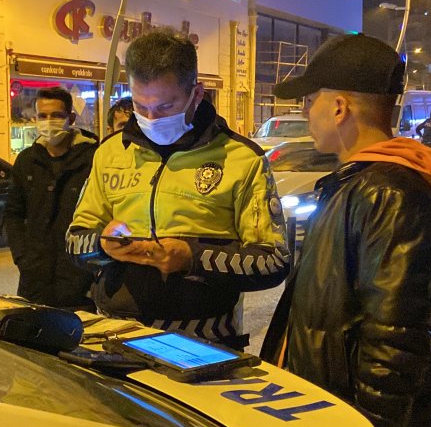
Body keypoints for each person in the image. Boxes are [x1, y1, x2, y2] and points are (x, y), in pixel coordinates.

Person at [260, 34, 431, 427]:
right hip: (323, 420)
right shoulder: (358, 184)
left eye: (309, 100)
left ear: (339, 108)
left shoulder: (389, 195)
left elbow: (395, 344)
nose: (305, 112)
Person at [67, 28, 289, 350]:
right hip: (118, 336)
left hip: (206, 343)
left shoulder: (242, 159)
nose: (151, 119)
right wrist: (102, 245)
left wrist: (191, 257)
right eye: (140, 107)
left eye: (166, 107)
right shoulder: (110, 153)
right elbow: (74, 241)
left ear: (196, 94)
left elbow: (273, 262)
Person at [4, 86, 98, 310]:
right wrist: (22, 258)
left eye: (56, 115)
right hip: (34, 280)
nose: (49, 122)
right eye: (43, 116)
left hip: (78, 280)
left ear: (71, 119)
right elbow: (13, 214)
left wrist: (91, 266)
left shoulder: (93, 159)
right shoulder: (27, 160)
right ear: (35, 118)